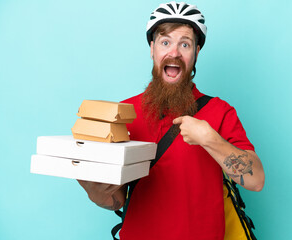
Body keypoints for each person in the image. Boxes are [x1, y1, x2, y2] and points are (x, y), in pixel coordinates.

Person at [78, 2, 265, 239]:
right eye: (165, 42)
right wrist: (95, 192)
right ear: (152, 48)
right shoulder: (123, 113)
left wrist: (209, 138)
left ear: (196, 52)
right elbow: (116, 201)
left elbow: (256, 180)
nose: (174, 52)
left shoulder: (220, 111)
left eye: (185, 44)